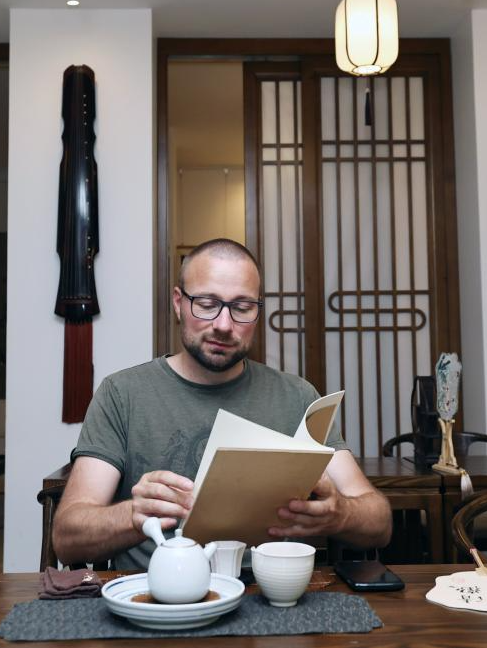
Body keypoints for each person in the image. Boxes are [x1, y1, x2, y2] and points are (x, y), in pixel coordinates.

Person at [53, 238, 392, 569]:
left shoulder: (297, 396)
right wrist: (132, 515)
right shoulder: (122, 394)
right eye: (206, 304)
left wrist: (339, 514)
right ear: (178, 303)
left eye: (242, 308)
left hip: (269, 591)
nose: (224, 325)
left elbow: (379, 523)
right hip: (154, 592)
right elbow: (67, 539)